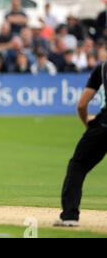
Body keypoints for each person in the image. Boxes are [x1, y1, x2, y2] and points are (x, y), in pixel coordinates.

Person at [54, 60, 107, 227]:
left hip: (105, 125)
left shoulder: (103, 67)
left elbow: (82, 104)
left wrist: (88, 124)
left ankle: (69, 215)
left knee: (78, 165)